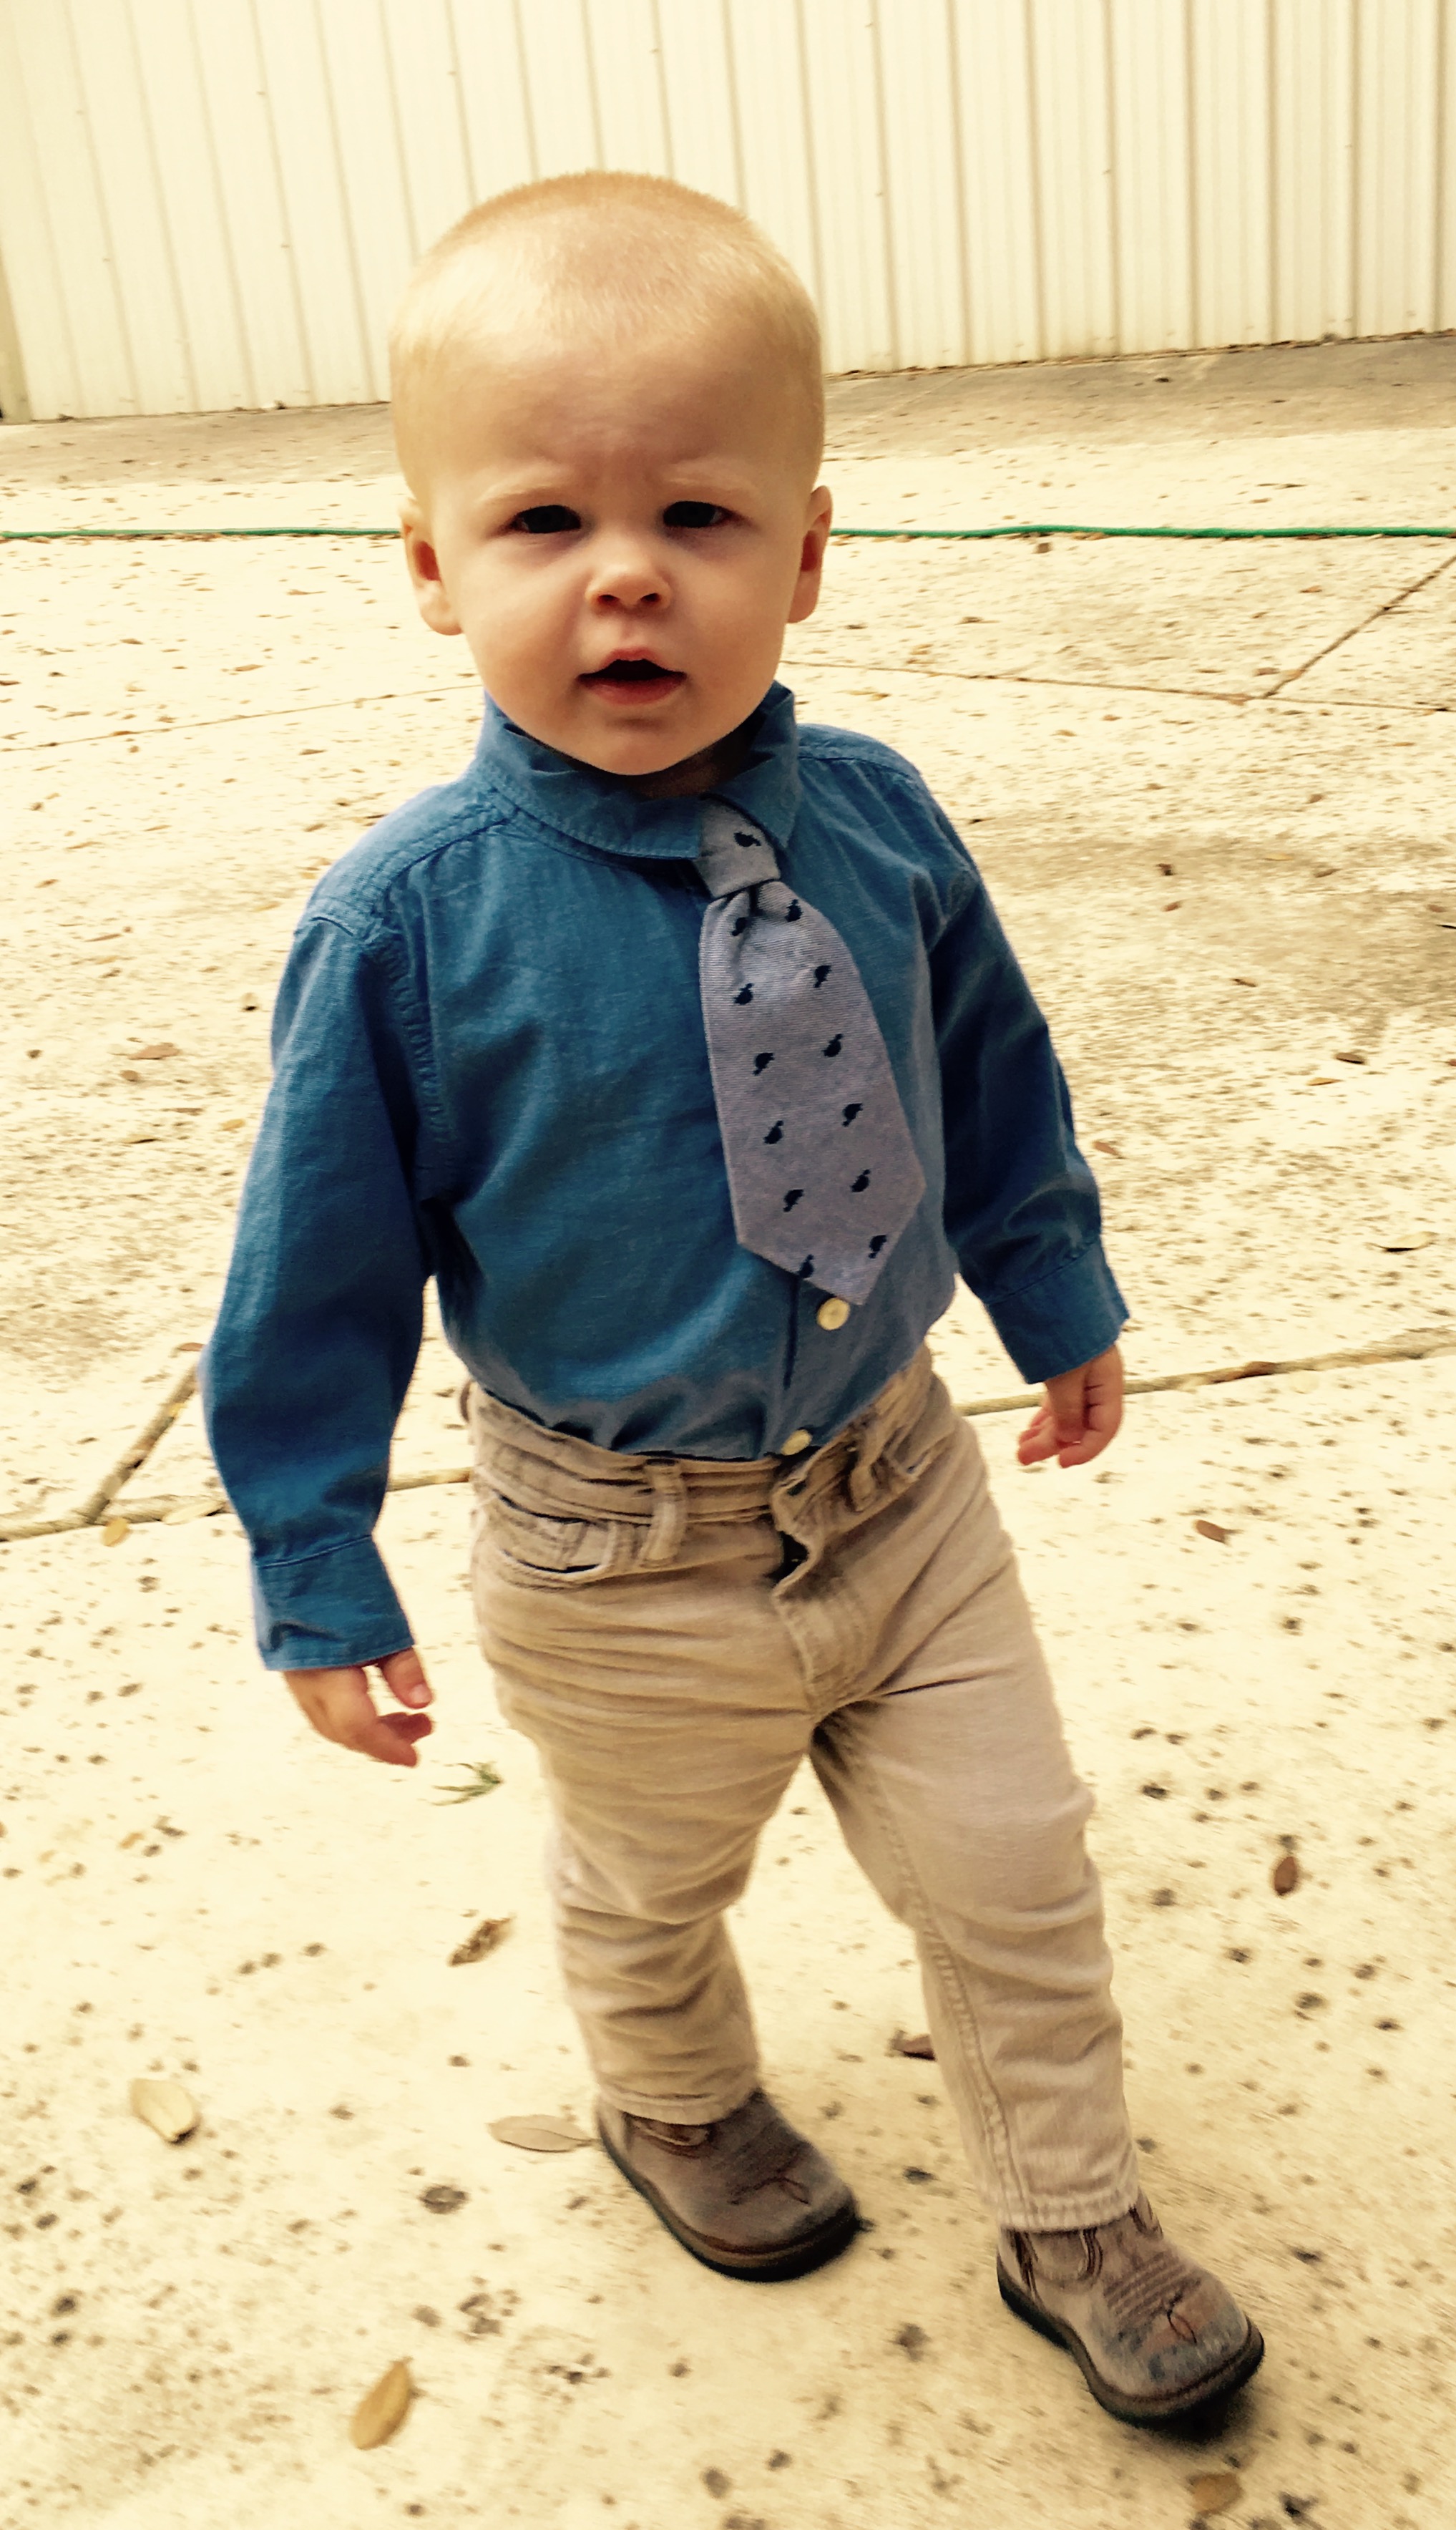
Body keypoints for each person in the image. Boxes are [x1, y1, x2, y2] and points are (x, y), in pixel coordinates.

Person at [202, 171, 1262, 2428]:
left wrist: (1053, 1284)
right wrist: (313, 1560)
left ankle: (1070, 2208)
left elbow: (988, 1069)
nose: (624, 575)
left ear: (805, 552)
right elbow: (314, 1275)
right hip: (616, 1555)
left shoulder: (879, 820)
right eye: (540, 522)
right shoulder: (406, 930)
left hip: (900, 1488)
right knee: (651, 1880)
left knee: (1014, 1865)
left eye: (696, 512)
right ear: (430, 566)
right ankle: (672, 2098)